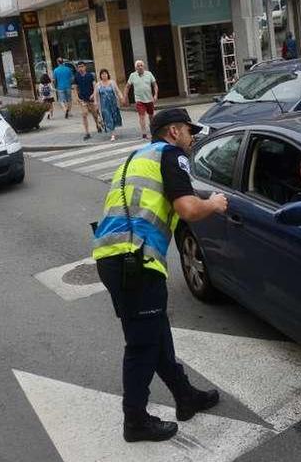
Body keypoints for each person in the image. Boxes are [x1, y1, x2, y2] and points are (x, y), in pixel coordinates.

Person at [92, 108, 228, 443]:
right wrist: (215, 203)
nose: (191, 137)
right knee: (142, 345)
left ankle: (185, 397)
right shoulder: (171, 155)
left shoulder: (137, 155)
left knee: (155, 333)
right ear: (173, 132)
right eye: (188, 131)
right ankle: (135, 420)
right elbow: (188, 209)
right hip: (135, 260)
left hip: (114, 257)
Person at [124, 61, 158, 140]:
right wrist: (125, 96)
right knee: (141, 116)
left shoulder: (149, 74)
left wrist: (155, 95)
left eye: (141, 65)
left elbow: (155, 85)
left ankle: (153, 131)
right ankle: (144, 134)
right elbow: (127, 87)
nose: (140, 67)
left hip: (149, 99)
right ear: (136, 68)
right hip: (139, 100)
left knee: (151, 116)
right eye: (138, 66)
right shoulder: (132, 75)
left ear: (144, 66)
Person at [93, 69, 126, 142]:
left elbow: (117, 91)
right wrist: (95, 103)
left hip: (113, 104)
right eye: (102, 74)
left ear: (108, 75)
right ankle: (112, 135)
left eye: (105, 74)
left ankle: (112, 130)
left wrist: (121, 98)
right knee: (108, 118)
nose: (104, 75)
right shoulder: (98, 85)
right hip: (104, 105)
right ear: (100, 76)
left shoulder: (112, 82)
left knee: (114, 118)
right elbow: (95, 95)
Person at [73, 61, 103, 140]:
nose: (81, 68)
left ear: (85, 67)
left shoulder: (90, 75)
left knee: (95, 114)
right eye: (79, 67)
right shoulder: (76, 76)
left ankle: (97, 125)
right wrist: (76, 97)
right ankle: (87, 133)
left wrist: (93, 94)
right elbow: (75, 88)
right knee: (84, 114)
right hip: (82, 99)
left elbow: (95, 85)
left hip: (91, 98)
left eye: (82, 66)